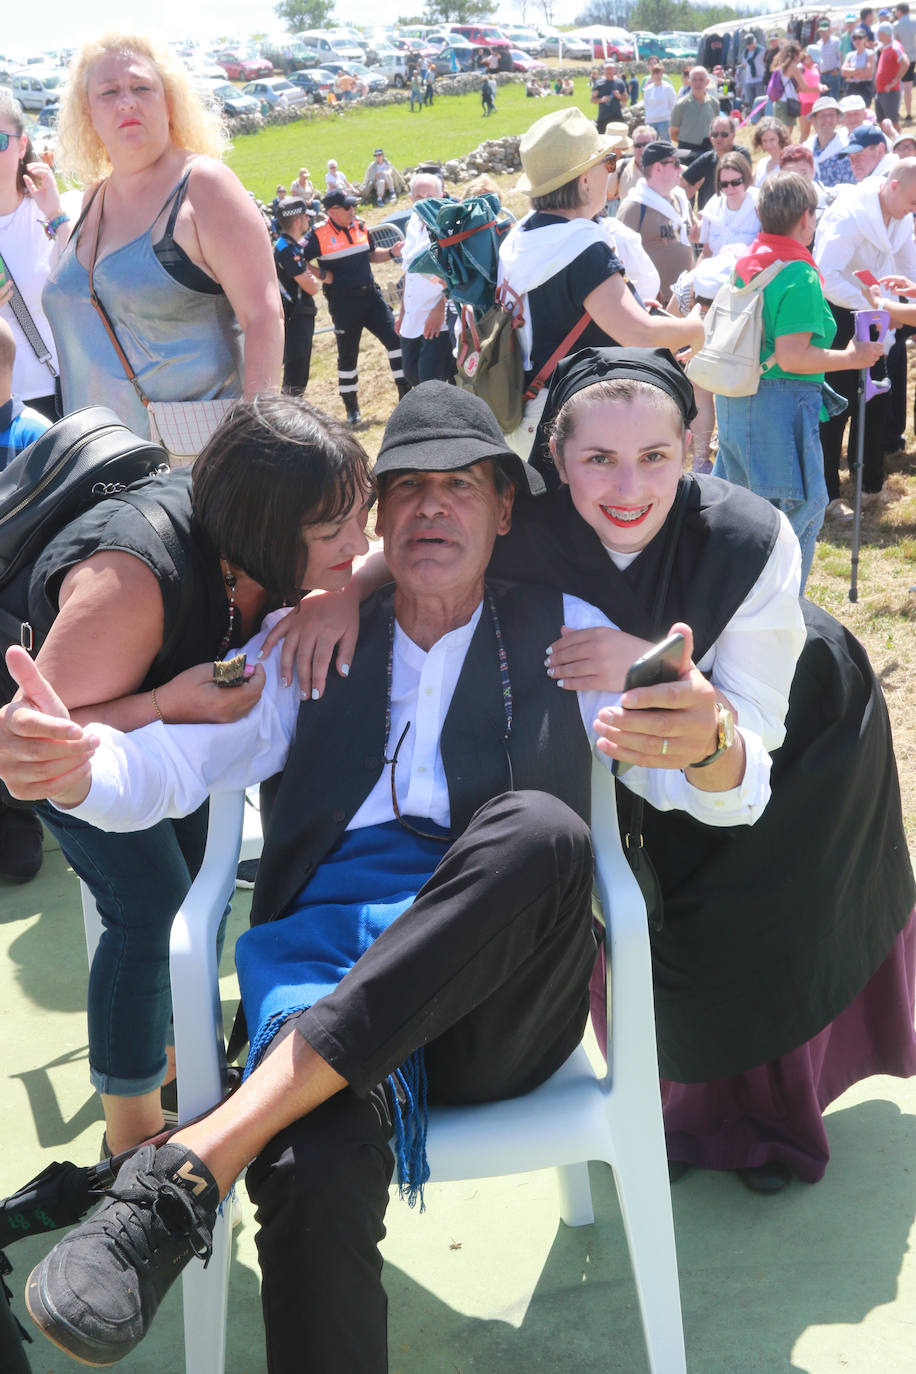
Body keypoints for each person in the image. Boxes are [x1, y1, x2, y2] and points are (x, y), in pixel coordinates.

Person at [16, 378, 778, 1372]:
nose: (432, 507)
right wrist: (79, 771)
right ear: (377, 518)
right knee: (310, 1159)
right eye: (409, 487)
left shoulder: (568, 629)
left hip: (499, 1013)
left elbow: (709, 787)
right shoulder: (303, 645)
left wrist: (713, 743)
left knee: (542, 834)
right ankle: (235, 1146)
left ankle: (197, 1152)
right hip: (324, 980)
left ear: (506, 509)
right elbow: (174, 765)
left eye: (463, 485)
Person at [489, 347, 915, 1196]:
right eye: (597, 459)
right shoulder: (521, 525)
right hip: (637, 750)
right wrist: (345, 594)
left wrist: (649, 670)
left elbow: (750, 731)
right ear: (556, 459)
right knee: (658, 917)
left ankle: (774, 1125)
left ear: (691, 448)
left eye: (655, 456)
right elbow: (420, 551)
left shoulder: (749, 538)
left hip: (796, 727)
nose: (627, 488)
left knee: (766, 917)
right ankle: (674, 1112)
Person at [0, 395, 373, 1158]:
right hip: (64, 739)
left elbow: (389, 553)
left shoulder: (268, 549)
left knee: (202, 884)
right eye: (334, 532)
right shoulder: (133, 579)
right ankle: (131, 1138)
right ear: (265, 532)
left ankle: (175, 1057)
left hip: (164, 708)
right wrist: (168, 701)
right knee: (150, 905)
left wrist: (346, 593)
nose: (357, 542)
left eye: (357, 517)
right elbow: (43, 746)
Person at [41, 33, 282, 442]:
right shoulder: (93, 198)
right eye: (109, 92)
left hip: (202, 467)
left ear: (168, 101)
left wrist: (254, 446)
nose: (127, 101)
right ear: (88, 114)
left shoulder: (204, 185)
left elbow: (263, 317)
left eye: (141, 87)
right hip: (104, 469)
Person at [498, 112, 704, 461]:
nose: (612, 172)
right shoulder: (582, 247)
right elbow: (640, 334)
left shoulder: (519, 237)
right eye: (607, 164)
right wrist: (694, 329)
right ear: (584, 181)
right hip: (574, 422)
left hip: (528, 413)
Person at [714, 172, 884, 582]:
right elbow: (792, 357)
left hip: (740, 399)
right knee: (791, 519)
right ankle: (783, 624)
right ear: (807, 217)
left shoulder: (748, 262)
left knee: (744, 516)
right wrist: (853, 356)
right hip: (777, 408)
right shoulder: (798, 272)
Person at [815, 156, 916, 510]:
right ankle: (828, 493)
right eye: (913, 201)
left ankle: (870, 484)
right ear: (892, 186)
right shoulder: (850, 215)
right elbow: (826, 274)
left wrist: (907, 292)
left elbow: (908, 267)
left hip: (876, 312)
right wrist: (874, 304)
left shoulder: (902, 219)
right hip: (840, 313)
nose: (914, 210)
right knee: (837, 406)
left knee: (877, 398)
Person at [299, 190, 408, 427]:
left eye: (352, 207)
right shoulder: (318, 235)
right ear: (332, 212)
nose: (352, 211)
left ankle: (406, 396)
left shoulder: (359, 226)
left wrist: (390, 253)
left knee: (396, 341)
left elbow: (371, 255)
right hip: (344, 303)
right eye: (346, 208)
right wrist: (321, 275)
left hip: (372, 296)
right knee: (348, 355)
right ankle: (352, 408)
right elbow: (297, 257)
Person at [0, 91, 66, 423]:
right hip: (4, 408)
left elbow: (83, 281)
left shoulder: (48, 210)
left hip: (62, 391)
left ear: (22, 145)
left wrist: (57, 214)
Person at [618, 141, 697, 299]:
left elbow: (694, 234)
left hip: (688, 297)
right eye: (675, 163)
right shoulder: (633, 208)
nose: (680, 168)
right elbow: (618, 259)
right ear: (658, 167)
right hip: (654, 304)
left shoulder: (681, 199)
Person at [397, 172, 454, 386]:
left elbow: (456, 274)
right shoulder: (412, 222)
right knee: (411, 375)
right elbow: (408, 271)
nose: (425, 201)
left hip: (438, 317)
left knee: (430, 381)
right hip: (412, 316)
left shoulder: (448, 226)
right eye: (419, 197)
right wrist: (402, 311)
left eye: (430, 195)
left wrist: (441, 308)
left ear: (442, 195)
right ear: (411, 199)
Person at [273, 198, 321, 395]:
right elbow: (312, 287)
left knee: (299, 372)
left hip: (299, 315)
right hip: (295, 316)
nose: (308, 222)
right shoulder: (286, 248)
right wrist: (313, 280)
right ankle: (288, 420)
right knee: (296, 374)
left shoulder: (290, 245)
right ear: (298, 220)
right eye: (306, 218)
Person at [681, 113, 752, 210]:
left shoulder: (741, 155)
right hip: (709, 216)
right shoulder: (706, 159)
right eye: (715, 134)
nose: (719, 138)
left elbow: (747, 184)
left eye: (724, 134)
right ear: (710, 137)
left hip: (735, 212)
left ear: (733, 135)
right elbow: (682, 182)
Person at [698, 153, 760, 257]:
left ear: (746, 178)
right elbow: (706, 252)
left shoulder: (760, 203)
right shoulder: (713, 205)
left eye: (736, 182)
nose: (730, 188)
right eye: (724, 184)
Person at [806, 96, 857, 186]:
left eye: (831, 115)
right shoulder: (806, 149)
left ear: (838, 118)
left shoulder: (846, 150)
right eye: (823, 116)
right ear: (813, 120)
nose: (828, 120)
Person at [670, 66, 720, 156]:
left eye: (701, 80)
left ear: (707, 82)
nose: (698, 83)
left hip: (707, 150)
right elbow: (673, 133)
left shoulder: (714, 103)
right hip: (685, 151)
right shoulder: (681, 105)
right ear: (689, 82)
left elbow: (716, 129)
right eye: (694, 80)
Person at [875, 19, 909, 119]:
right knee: (882, 121)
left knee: (892, 122)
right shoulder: (885, 47)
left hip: (890, 91)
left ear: (885, 33)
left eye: (880, 33)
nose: (878, 35)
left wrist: (894, 82)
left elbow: (905, 63)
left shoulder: (895, 47)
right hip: (881, 91)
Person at [768, 41, 806, 131]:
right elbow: (804, 86)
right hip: (787, 105)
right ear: (795, 54)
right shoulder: (792, 66)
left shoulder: (780, 66)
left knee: (780, 134)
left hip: (778, 103)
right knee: (786, 136)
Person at [615, 125, 655, 199]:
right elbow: (607, 194)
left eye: (646, 145)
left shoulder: (666, 168)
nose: (642, 149)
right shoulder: (620, 166)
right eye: (638, 145)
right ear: (633, 147)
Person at [641, 62, 677, 141]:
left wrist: (672, 118)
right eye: (656, 73)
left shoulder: (668, 88)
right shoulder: (648, 89)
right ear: (652, 74)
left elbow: (673, 104)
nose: (658, 76)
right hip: (651, 120)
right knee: (651, 143)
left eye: (660, 73)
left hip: (664, 120)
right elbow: (646, 105)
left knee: (666, 141)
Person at [591, 60, 627, 135]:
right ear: (604, 69)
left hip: (617, 117)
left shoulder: (620, 83)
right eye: (607, 69)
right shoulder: (599, 83)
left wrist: (619, 96)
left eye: (611, 68)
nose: (609, 71)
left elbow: (625, 98)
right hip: (603, 118)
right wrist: (602, 100)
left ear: (614, 69)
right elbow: (592, 99)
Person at [842, 26, 877, 104]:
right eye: (854, 38)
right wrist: (860, 70)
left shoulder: (870, 53)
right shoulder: (850, 55)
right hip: (851, 87)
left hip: (864, 87)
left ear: (865, 39)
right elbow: (843, 72)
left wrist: (850, 75)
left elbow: (868, 73)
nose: (857, 40)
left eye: (859, 37)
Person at [752, 115, 791, 184]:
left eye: (772, 140)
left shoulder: (789, 164)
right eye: (764, 140)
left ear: (781, 138)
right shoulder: (761, 163)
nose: (768, 145)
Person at [894, 2, 916, 118]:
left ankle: (906, 113)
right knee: (908, 87)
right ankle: (908, 113)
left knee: (904, 87)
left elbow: (896, 43)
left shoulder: (897, 25)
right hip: (913, 57)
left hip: (904, 59)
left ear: (900, 11)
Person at [815, 18, 844, 99]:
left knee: (833, 99)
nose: (822, 33)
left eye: (824, 30)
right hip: (822, 75)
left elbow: (840, 57)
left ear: (829, 30)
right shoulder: (818, 43)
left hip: (832, 73)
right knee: (823, 100)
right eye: (821, 31)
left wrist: (837, 69)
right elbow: (817, 59)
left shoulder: (836, 41)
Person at [738, 33, 767, 110]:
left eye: (751, 44)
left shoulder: (761, 51)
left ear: (755, 42)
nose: (749, 46)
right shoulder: (745, 53)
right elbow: (744, 65)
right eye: (748, 44)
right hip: (749, 81)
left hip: (759, 80)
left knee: (760, 102)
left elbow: (766, 63)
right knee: (751, 102)